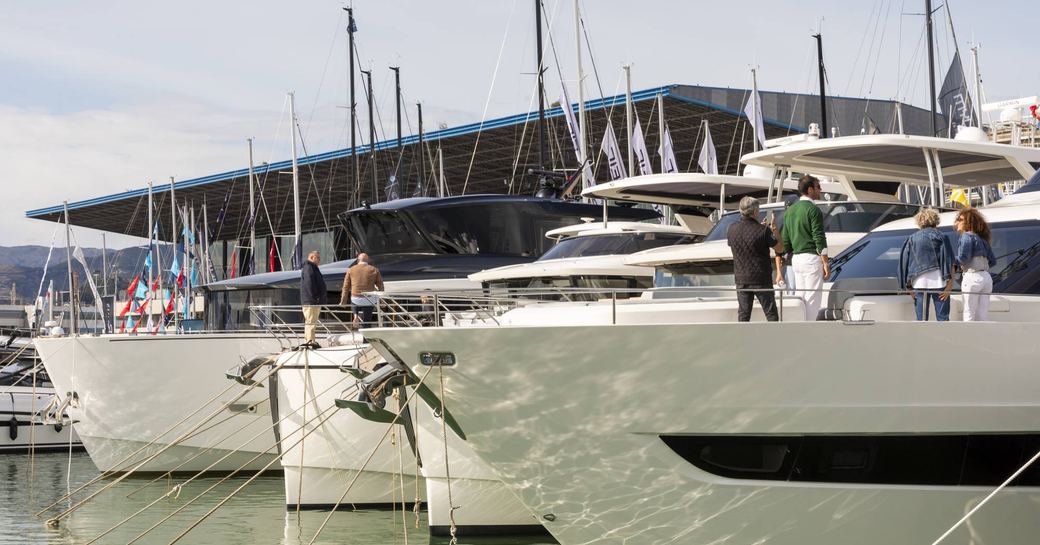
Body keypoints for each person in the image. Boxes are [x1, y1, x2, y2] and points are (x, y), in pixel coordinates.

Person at [780, 175, 829, 320]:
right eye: (818, 186)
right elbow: (819, 237)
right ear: (810, 189)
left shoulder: (789, 211)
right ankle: (810, 334)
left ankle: (800, 331)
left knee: (800, 299)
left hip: (796, 260)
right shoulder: (813, 210)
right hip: (811, 259)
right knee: (812, 301)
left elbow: (786, 241)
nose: (820, 189)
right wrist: (825, 262)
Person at [728, 196, 784, 321]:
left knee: (743, 315)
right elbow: (780, 249)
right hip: (761, 278)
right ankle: (775, 339)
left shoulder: (731, 229)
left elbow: (745, 241)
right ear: (754, 212)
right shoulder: (763, 230)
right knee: (771, 315)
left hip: (741, 278)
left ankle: (743, 340)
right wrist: (773, 228)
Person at [897, 208, 954, 321]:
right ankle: (944, 339)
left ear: (919, 222)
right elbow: (949, 261)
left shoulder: (911, 239)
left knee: (921, 320)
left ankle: (922, 338)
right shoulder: (942, 236)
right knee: (943, 319)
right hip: (939, 281)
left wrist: (908, 287)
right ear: (936, 221)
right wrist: (949, 286)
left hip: (918, 283)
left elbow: (904, 263)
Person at [954, 207, 997, 321]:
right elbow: (993, 261)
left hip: (972, 277)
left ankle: (969, 338)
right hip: (987, 278)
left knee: (969, 313)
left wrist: (949, 260)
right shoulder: (983, 239)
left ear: (968, 223)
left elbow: (963, 258)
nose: (957, 222)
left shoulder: (966, 236)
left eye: (960, 219)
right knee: (982, 315)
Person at [339, 253, 385, 328]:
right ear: (368, 260)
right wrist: (382, 301)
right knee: (367, 319)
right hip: (369, 299)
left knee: (353, 298)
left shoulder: (351, 269)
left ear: (358, 260)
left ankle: (355, 315)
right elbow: (380, 286)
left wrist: (343, 301)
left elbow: (345, 287)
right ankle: (365, 336)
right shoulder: (374, 269)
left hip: (356, 299)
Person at [299, 251, 327, 346]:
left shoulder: (311, 268)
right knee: (311, 322)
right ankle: (310, 342)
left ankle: (309, 341)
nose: (319, 260)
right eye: (318, 258)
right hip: (311, 301)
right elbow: (309, 284)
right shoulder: (309, 268)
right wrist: (315, 297)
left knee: (311, 322)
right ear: (312, 257)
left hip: (312, 300)